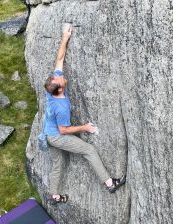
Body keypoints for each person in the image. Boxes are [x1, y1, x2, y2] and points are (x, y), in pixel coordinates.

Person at [44, 25, 126, 204]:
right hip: (57, 136)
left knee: (58, 164)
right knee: (89, 150)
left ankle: (54, 196)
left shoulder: (51, 90)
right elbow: (64, 130)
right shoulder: (61, 106)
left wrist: (65, 38)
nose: (61, 75)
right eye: (59, 78)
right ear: (60, 88)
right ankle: (110, 183)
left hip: (48, 133)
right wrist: (85, 128)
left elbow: (59, 59)